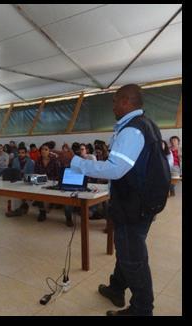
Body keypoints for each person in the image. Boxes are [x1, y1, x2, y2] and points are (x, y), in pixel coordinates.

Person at [70, 84, 165, 316]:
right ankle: (116, 288)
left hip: (134, 205)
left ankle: (142, 310)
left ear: (125, 101)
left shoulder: (132, 130)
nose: (112, 106)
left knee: (133, 259)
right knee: (126, 249)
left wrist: (75, 162)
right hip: (141, 202)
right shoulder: (146, 123)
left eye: (114, 101)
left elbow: (115, 170)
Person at [5, 146, 35, 218]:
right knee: (14, 191)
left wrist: (23, 176)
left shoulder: (30, 161)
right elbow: (14, 171)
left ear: (26, 153)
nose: (21, 154)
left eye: (23, 153)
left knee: (29, 193)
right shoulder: (15, 160)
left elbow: (31, 173)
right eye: (19, 153)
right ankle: (16, 209)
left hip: (27, 180)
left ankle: (23, 207)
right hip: (17, 179)